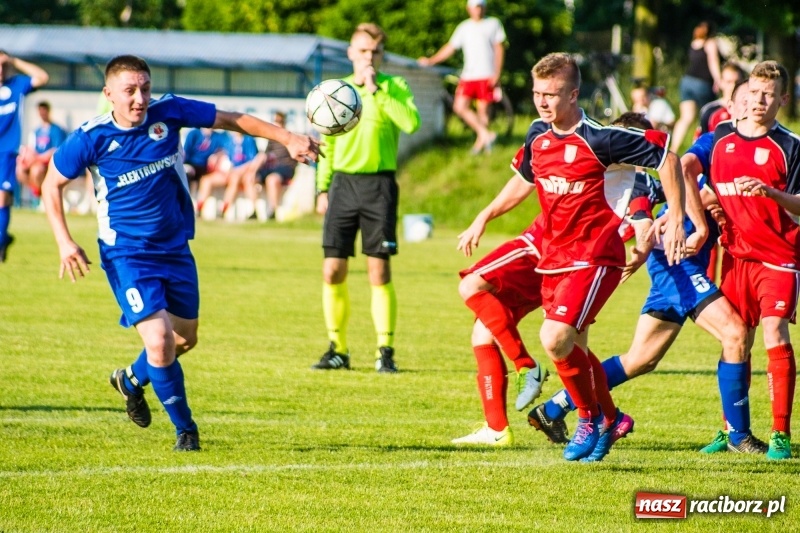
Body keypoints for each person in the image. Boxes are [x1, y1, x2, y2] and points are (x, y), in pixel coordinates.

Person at [41, 55, 319, 451]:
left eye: (145, 88)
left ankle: (131, 380)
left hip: (175, 249)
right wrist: (64, 241)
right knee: (159, 341)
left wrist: (287, 138)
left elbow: (232, 119)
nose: (140, 99)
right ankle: (186, 431)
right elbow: (52, 184)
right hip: (127, 255)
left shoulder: (168, 111)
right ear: (109, 95)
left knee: (184, 340)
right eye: (130, 91)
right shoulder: (91, 137)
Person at [459, 53, 687, 462]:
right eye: (537, 94)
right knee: (574, 346)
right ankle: (610, 419)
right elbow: (523, 181)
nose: (543, 102)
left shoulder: (602, 138)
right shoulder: (537, 135)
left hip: (595, 255)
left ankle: (588, 418)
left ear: (574, 94)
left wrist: (678, 215)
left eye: (552, 94)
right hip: (554, 256)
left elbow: (667, 156)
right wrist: (484, 215)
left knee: (554, 336)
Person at [531, 91, 768, 455]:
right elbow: (647, 205)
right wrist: (668, 228)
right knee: (735, 334)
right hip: (678, 265)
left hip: (672, 268)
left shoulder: (716, 161)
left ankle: (556, 405)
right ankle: (738, 435)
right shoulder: (697, 152)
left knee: (641, 359)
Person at [312, 23, 420, 373]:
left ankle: (384, 351)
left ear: (381, 55)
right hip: (343, 185)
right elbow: (327, 144)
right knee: (332, 269)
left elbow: (411, 124)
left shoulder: (394, 87)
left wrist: (376, 91)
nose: (368, 57)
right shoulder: (337, 92)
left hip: (380, 187)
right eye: (362, 51)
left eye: (373, 52)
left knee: (378, 270)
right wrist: (322, 187)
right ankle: (338, 349)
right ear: (350, 53)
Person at [707, 60, 800, 460]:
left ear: (782, 98)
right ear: (744, 94)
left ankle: (780, 433)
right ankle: (732, 428)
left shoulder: (791, 146)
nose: (759, 101)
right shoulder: (722, 137)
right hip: (736, 257)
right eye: (754, 92)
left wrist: (770, 193)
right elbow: (710, 187)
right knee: (734, 340)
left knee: (774, 333)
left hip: (780, 256)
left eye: (768, 95)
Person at [451, 215, 548, 446]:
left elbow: (522, 183)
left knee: (470, 285)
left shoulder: (616, 182)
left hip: (537, 245)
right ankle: (497, 429)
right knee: (483, 333)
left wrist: (482, 217)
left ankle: (526, 365)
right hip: (559, 256)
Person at [417, 0, 505, 155]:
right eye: (474, 7)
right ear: (468, 9)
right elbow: (450, 48)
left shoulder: (493, 23)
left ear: (484, 8)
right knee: (460, 106)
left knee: (483, 111)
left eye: (480, 7)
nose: (477, 10)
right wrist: (431, 61)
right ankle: (486, 135)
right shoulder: (464, 27)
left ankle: (481, 146)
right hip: (468, 75)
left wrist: (497, 73)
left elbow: (499, 49)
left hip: (486, 74)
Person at [0, 51, 49, 262]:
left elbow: (43, 77)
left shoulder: (18, 84)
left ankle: (0, 241)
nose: (1, 70)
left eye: (4, 65)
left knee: (2, 199)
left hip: (7, 152)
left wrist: (16, 61)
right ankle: (3, 239)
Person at [670, 21, 722, 153]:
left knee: (685, 117)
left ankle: (673, 149)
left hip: (687, 81)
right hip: (703, 83)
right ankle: (701, 147)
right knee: (706, 116)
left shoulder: (694, 43)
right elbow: (713, 62)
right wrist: (719, 80)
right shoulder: (710, 43)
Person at [16, 101, 66, 198]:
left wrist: (38, 158)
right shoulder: (36, 131)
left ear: (48, 111)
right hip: (36, 161)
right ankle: (38, 193)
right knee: (20, 170)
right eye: (40, 111)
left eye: (44, 110)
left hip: (50, 163)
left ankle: (43, 196)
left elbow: (56, 150)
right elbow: (31, 148)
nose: (42, 113)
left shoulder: (56, 130)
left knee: (36, 171)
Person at [256, 111, 298, 220]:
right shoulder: (272, 139)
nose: (277, 123)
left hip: (286, 167)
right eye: (275, 121)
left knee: (272, 179)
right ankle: (254, 210)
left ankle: (272, 211)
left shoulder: (290, 136)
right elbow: (265, 155)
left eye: (279, 121)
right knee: (251, 178)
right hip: (273, 168)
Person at [695, 62, 746, 139]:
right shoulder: (709, 110)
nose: (733, 86)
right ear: (721, 83)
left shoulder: (749, 110)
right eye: (729, 82)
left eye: (737, 82)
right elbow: (700, 141)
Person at [218, 131, 260, 218]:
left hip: (249, 172)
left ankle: (254, 210)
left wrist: (238, 170)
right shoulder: (229, 141)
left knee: (248, 180)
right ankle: (225, 209)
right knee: (235, 179)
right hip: (235, 173)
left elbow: (252, 161)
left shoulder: (249, 140)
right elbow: (229, 160)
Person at [182, 127, 228, 197]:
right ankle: (185, 200)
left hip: (205, 166)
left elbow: (226, 149)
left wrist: (216, 155)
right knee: (187, 173)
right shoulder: (193, 134)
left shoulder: (217, 137)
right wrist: (185, 165)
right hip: (191, 164)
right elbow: (185, 152)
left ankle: (199, 204)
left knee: (207, 180)